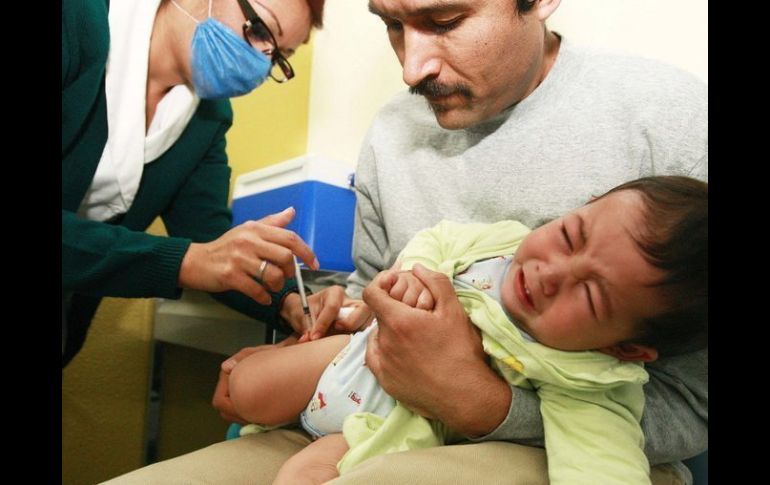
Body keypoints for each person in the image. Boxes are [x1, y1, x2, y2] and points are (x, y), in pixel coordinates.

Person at [107, 0, 707, 483]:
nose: (411, 68)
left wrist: (480, 402)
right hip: (360, 418)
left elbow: (692, 406)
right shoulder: (393, 131)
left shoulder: (674, 123)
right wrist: (335, 319)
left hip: (559, 446)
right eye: (392, 25)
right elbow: (370, 296)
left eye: (444, 21)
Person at [227, 175, 707, 485]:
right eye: (569, 236)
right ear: (583, 205)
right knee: (241, 388)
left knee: (301, 477)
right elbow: (438, 238)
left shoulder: (584, 379)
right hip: (348, 358)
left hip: (381, 430)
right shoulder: (501, 241)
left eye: (591, 295)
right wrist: (413, 275)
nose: (553, 273)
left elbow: (602, 465)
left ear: (626, 348)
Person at [62, 0, 342, 368]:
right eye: (260, 30)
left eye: (278, 57)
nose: (261, 64)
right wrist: (187, 261)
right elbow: (202, 257)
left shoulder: (206, 118)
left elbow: (210, 241)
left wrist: (290, 303)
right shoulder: (75, 21)